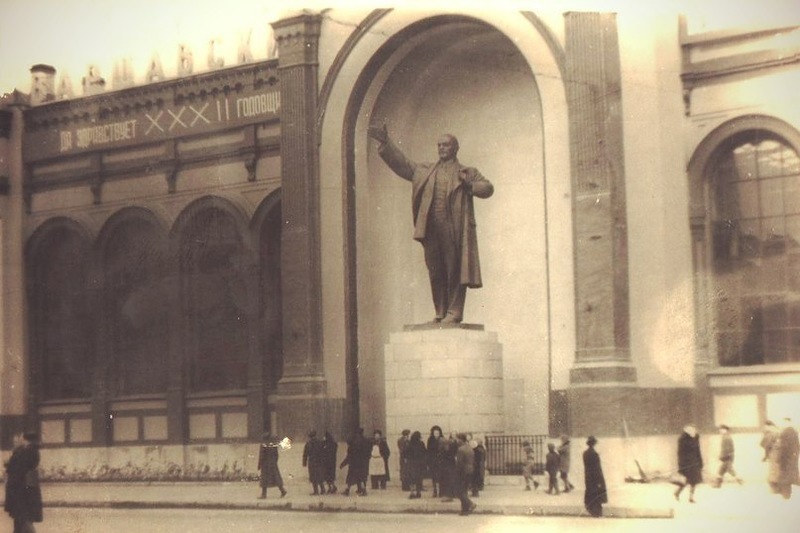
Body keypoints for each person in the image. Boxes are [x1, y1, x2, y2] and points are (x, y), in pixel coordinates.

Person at [368, 123, 494, 324]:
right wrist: (386, 143)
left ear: (455, 148)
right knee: (435, 270)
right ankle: (441, 311)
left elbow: (488, 188)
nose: (441, 148)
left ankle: (455, 312)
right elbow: (403, 164)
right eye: (439, 145)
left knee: (454, 269)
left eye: (445, 145)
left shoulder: (466, 171)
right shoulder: (425, 170)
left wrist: (470, 185)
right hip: (431, 228)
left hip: (454, 227)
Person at [4, 432, 43, 533]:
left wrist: (9, 464)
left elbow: (17, 468)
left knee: (23, 518)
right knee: (20, 519)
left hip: (21, 490)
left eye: (19, 439)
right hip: (25, 489)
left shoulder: (27, 451)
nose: (17, 441)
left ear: (25, 439)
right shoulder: (30, 450)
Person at [768, 417, 800, 499]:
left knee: (785, 479)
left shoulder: (784, 433)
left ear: (786, 422)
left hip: (785, 460)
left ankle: (786, 497)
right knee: (790, 478)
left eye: (783, 422)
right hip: (792, 460)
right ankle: (786, 495)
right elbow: (797, 447)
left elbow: (783, 448)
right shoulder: (794, 432)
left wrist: (779, 459)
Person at [674, 424, 703, 503]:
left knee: (694, 481)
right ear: (686, 430)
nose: (692, 430)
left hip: (695, 463)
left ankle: (691, 497)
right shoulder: (682, 439)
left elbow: (698, 451)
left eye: (693, 429)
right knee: (686, 480)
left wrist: (700, 462)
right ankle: (677, 492)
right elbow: (680, 453)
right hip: (686, 464)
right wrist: (681, 465)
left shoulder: (696, 437)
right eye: (690, 429)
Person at [340, 427, 371, 496]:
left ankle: (347, 490)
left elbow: (349, 455)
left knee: (350, 477)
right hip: (362, 463)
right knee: (362, 477)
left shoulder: (353, 442)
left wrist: (343, 463)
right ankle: (363, 490)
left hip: (354, 463)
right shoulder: (366, 441)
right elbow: (368, 453)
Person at [257, 432, 287, 499]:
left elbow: (261, 455)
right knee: (276, 478)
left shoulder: (263, 444)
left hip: (265, 464)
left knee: (264, 479)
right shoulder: (273, 444)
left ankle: (263, 494)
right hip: (273, 463)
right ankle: (282, 490)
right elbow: (276, 455)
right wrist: (274, 462)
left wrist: (259, 465)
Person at [583, 436, 607, 517]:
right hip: (595, 477)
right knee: (597, 494)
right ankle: (597, 512)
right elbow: (597, 468)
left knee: (590, 493)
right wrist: (600, 480)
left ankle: (592, 510)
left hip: (588, 476)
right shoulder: (594, 454)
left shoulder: (585, 453)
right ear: (594, 444)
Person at [455, 433, 477, 516]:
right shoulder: (469, 448)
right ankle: (464, 510)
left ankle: (470, 504)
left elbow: (459, 463)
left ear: (461, 440)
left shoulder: (460, 449)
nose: (456, 441)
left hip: (463, 471)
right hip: (470, 470)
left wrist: (457, 473)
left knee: (459, 491)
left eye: (457, 439)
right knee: (464, 490)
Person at [302, 430, 325, 495]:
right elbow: (323, 452)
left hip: (312, 462)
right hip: (319, 462)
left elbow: (305, 454)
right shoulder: (320, 442)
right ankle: (322, 489)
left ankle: (316, 491)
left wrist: (304, 463)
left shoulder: (308, 444)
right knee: (319, 476)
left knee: (313, 477)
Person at [406, 431, 427, 499]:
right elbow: (424, 453)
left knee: (411, 479)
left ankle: (412, 492)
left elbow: (405, 453)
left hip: (411, 464)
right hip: (419, 464)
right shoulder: (421, 444)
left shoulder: (409, 444)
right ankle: (418, 492)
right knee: (418, 479)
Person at [427, 425, 444, 497]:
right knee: (434, 476)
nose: (436, 434)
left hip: (441, 461)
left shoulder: (442, 439)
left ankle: (441, 491)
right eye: (435, 433)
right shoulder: (430, 440)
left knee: (441, 476)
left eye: (437, 433)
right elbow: (428, 451)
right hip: (433, 461)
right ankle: (435, 491)